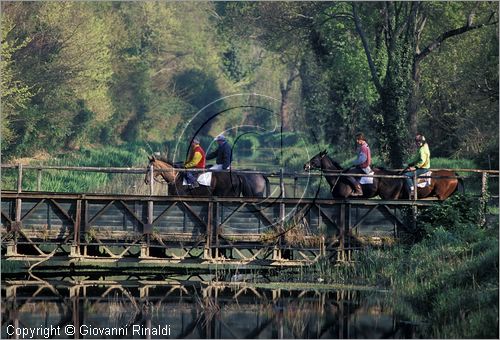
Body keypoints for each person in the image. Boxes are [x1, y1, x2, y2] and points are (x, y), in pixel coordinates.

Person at [347, 132, 372, 197]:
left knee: (348, 174)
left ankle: (359, 190)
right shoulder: (366, 145)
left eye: (358, 140)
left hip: (364, 168)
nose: (357, 141)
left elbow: (362, 159)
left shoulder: (363, 147)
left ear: (361, 139)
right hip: (365, 166)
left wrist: (354, 163)